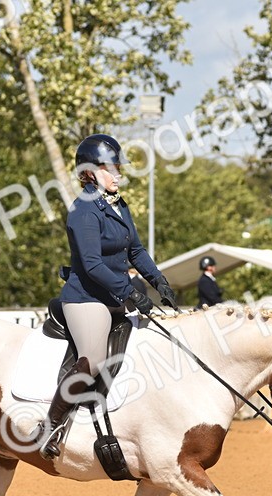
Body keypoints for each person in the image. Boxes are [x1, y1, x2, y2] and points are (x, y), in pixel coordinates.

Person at [37, 134, 176, 460]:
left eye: (118, 168)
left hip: (114, 297)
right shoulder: (83, 211)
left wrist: (159, 281)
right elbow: (92, 265)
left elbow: (136, 250)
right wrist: (131, 293)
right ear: (89, 172)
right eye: (110, 168)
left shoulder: (118, 205)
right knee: (94, 358)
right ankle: (50, 427)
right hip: (86, 299)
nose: (118, 174)